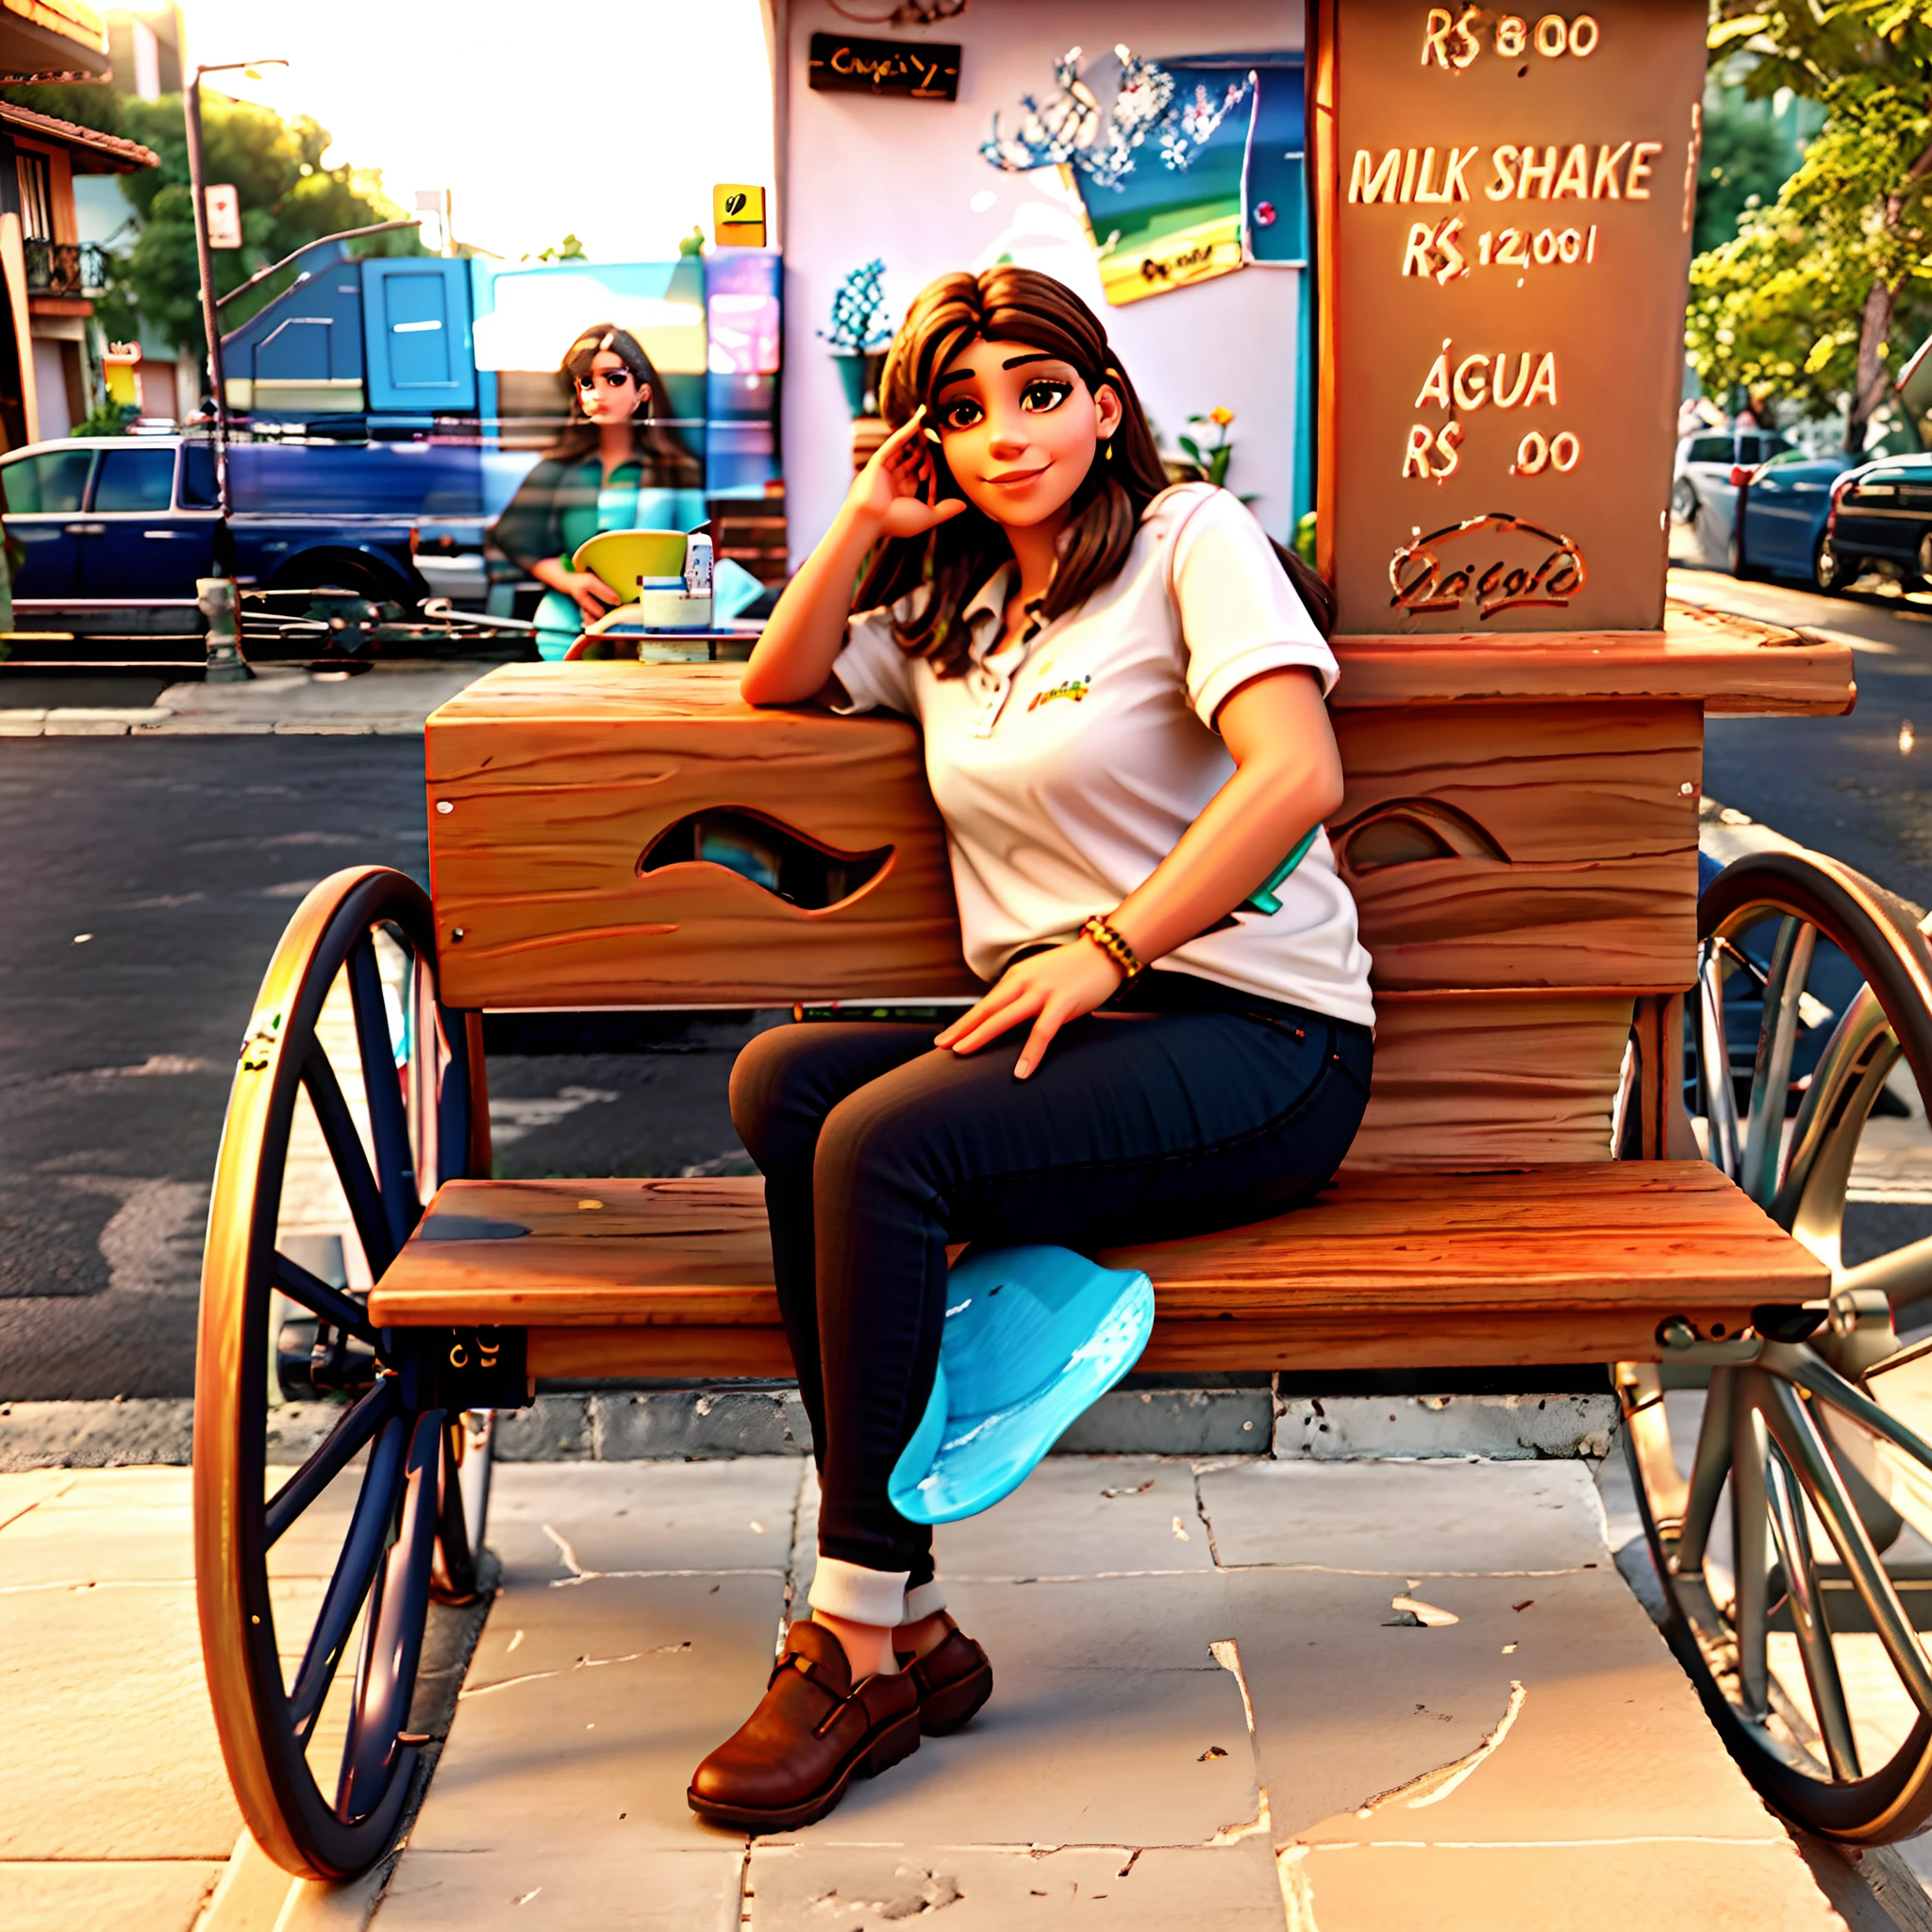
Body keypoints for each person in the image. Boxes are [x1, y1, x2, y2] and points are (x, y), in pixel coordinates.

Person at [687, 266, 1374, 1832]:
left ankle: (855, 1626)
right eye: (960, 409)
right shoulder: (959, 613)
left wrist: (1111, 940)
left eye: (1038, 393)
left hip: (1254, 1032)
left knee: (880, 1141)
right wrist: (867, 521)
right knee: (781, 1084)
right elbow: (774, 678)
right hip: (1077, 1039)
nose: (1004, 435)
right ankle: (911, 1619)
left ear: (1104, 401)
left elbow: (1294, 772)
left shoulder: (1189, 543)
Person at [491, 323, 705, 659]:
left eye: (614, 379)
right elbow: (516, 532)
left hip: (661, 613)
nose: (598, 393)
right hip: (570, 617)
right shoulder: (560, 468)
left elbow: (701, 544)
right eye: (587, 382)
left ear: (643, 392)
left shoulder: (673, 468)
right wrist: (570, 583)